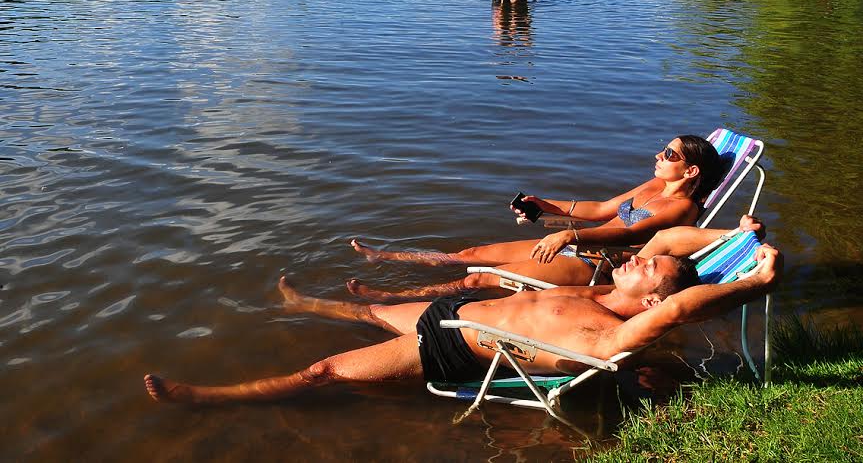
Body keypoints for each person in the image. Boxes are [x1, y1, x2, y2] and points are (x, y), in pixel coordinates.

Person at [144, 238, 782, 406]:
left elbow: (678, 306)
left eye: (649, 267)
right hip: (454, 316)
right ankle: (301, 304)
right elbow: (666, 286)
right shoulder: (595, 292)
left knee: (324, 371)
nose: (638, 259)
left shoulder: (615, 334)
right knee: (367, 309)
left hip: (451, 350)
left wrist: (754, 283)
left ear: (653, 302)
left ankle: (203, 397)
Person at [346, 136, 724, 301]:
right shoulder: (653, 186)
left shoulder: (680, 209)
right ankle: (387, 257)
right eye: (663, 149)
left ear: (691, 172)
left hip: (603, 264)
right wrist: (547, 206)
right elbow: (602, 210)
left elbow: (629, 234)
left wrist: (568, 237)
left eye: (670, 155)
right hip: (579, 243)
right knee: (473, 252)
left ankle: (393, 296)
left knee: (480, 278)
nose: (660, 156)